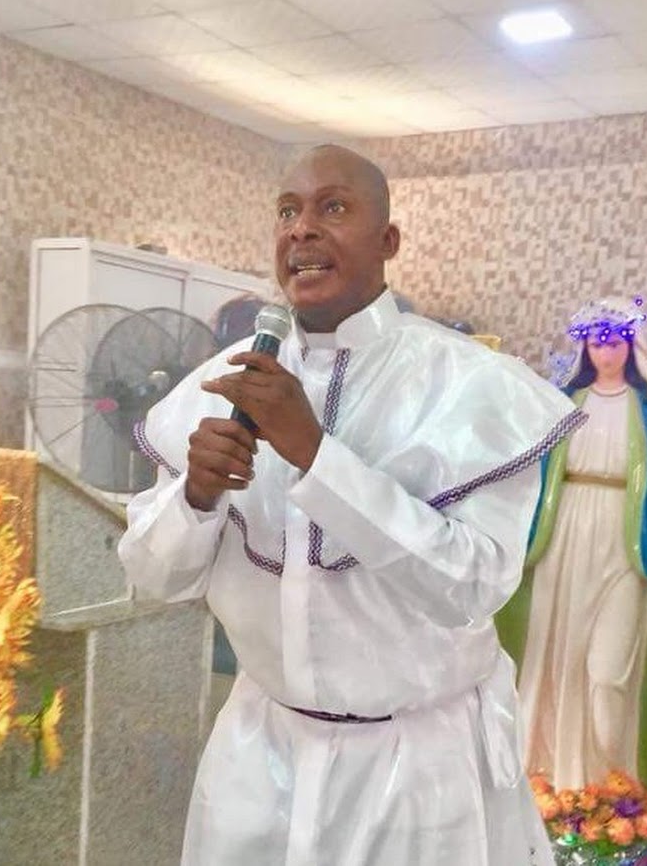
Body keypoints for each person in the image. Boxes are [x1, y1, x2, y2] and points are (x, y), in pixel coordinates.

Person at [118, 144, 584, 865]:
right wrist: (196, 497)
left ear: (388, 240)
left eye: (332, 207)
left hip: (417, 772)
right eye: (287, 211)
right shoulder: (221, 384)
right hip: (258, 758)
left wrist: (316, 454)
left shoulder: (475, 388)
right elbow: (153, 578)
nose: (301, 229)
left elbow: (471, 587)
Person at [496, 298, 647, 791]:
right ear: (584, 349)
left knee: (609, 673)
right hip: (563, 536)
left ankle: (610, 780)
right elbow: (523, 475)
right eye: (597, 342)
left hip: (626, 543)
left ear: (633, 348)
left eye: (616, 341)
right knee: (556, 659)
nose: (606, 351)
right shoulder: (560, 403)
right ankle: (552, 774)